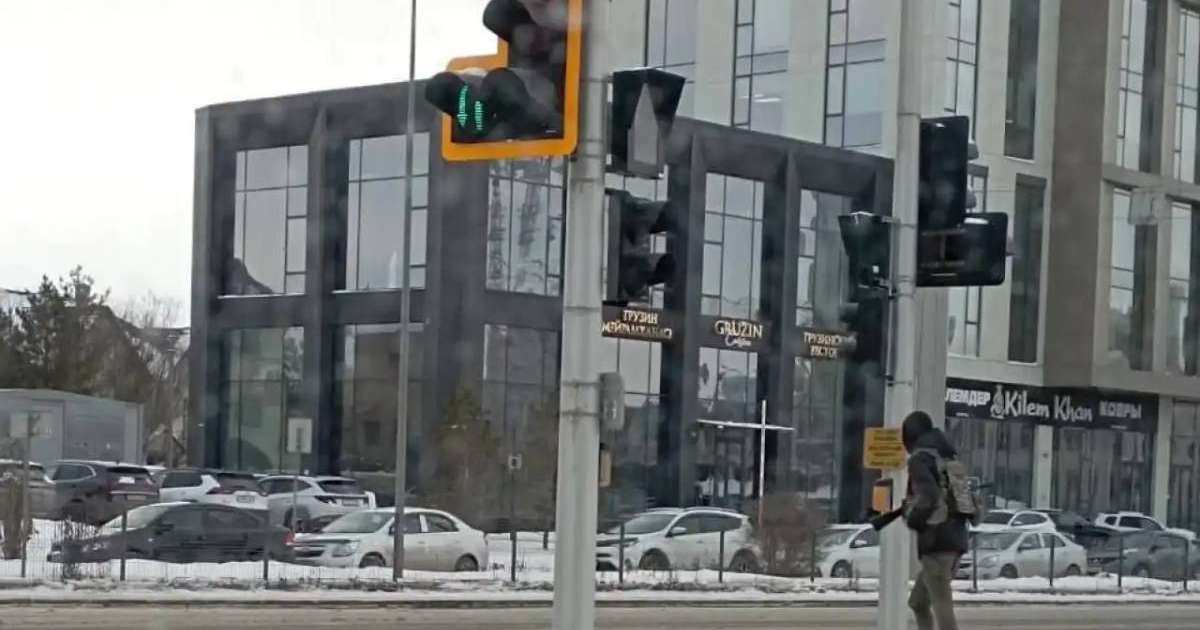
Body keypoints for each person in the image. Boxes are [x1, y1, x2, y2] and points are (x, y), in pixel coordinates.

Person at [901, 410, 969, 630]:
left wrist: (912, 519)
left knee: (942, 608)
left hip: (936, 543)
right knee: (918, 603)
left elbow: (928, 497)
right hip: (955, 541)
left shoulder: (920, 459)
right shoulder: (947, 456)